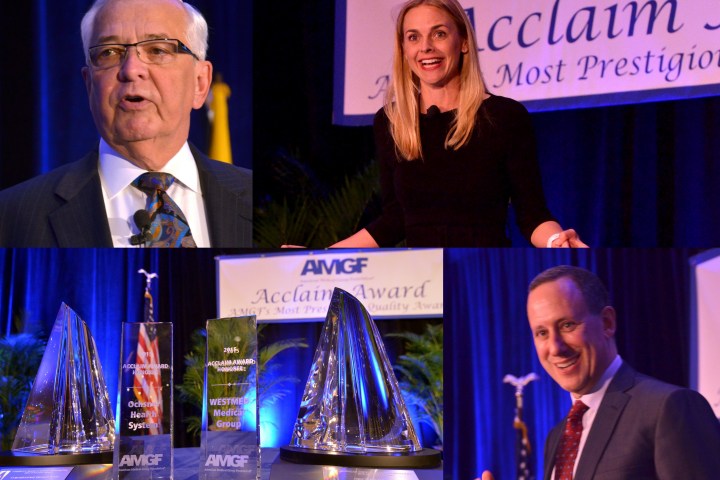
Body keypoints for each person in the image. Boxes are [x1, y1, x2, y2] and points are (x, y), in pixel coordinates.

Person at [331, 0, 585, 247]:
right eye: (413, 37)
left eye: (439, 34)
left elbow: (532, 214)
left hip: (482, 271)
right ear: (404, 49)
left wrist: (557, 242)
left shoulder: (504, 116)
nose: (426, 47)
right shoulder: (391, 121)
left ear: (463, 41)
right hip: (421, 280)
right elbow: (394, 219)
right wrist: (319, 255)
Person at [0, 0, 252, 247]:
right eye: (109, 53)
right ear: (89, 85)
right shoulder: (12, 216)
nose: (131, 69)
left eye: (157, 50)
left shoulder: (255, 199)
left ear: (200, 83)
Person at [481, 265, 720, 479]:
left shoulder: (669, 408)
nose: (555, 347)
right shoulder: (556, 436)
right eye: (542, 333)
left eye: (567, 325)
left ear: (607, 322)